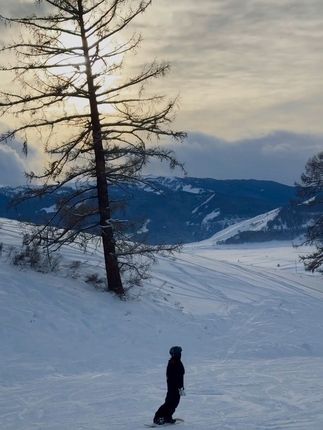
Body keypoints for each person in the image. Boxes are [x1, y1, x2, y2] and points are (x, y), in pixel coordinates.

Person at [153, 346, 185, 425]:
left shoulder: (178, 362)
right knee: (169, 403)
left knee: (174, 403)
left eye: (180, 353)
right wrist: (177, 386)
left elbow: (180, 376)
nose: (180, 354)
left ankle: (167, 417)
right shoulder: (173, 362)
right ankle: (158, 417)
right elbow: (173, 376)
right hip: (172, 387)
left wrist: (181, 388)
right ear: (174, 354)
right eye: (178, 353)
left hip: (177, 388)